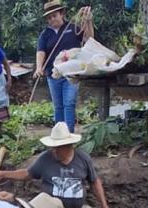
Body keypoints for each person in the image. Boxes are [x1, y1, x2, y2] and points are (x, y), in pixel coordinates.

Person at [0, 122, 115, 208]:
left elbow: (94, 181)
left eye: (58, 147)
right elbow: (28, 174)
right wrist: (4, 174)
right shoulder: (45, 159)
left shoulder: (83, 159)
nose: (54, 150)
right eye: (53, 147)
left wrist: (104, 206)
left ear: (68, 146)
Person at [35, 0, 95, 133]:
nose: (52, 19)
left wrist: (88, 21)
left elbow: (89, 39)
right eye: (49, 18)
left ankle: (69, 134)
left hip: (71, 75)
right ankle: (59, 135)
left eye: (54, 16)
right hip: (53, 75)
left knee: (69, 103)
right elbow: (41, 52)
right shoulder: (45, 35)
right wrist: (39, 68)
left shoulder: (72, 28)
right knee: (58, 106)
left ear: (61, 14)